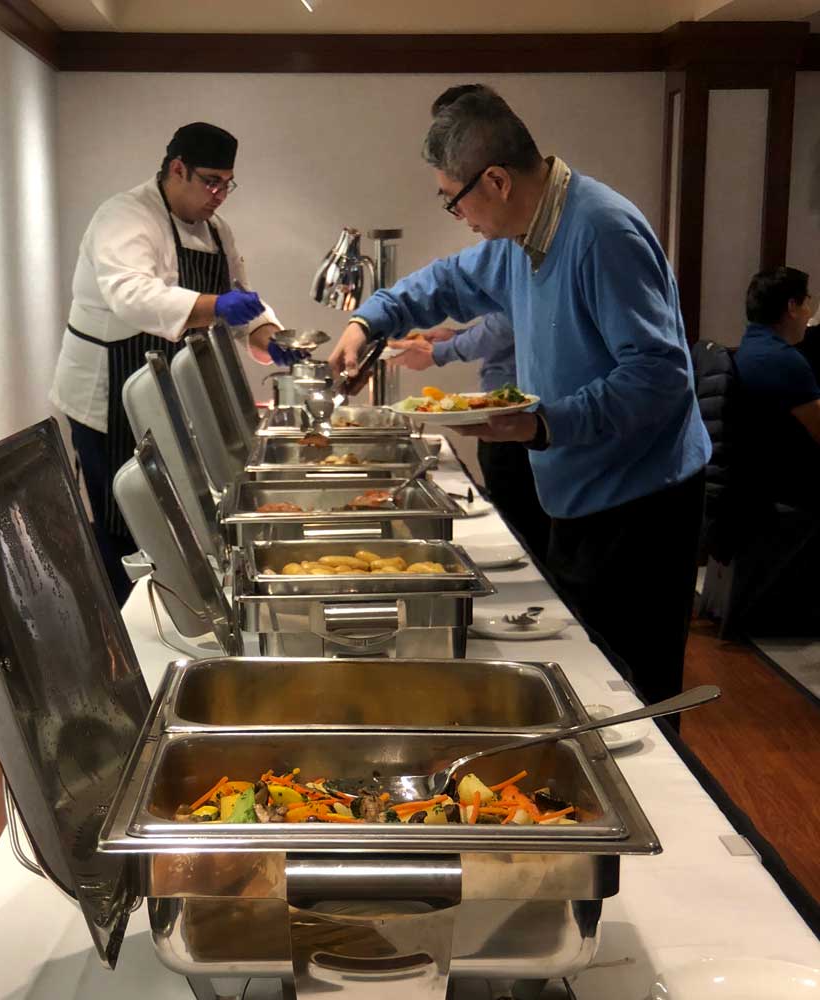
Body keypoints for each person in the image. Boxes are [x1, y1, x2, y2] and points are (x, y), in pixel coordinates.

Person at [328, 84, 711, 709]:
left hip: (640, 501)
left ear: (498, 182)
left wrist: (544, 426)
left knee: (632, 696)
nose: (464, 220)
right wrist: (367, 321)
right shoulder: (522, 238)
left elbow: (660, 378)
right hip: (581, 488)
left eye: (455, 203)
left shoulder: (601, 231)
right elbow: (445, 283)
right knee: (588, 682)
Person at [51, 122, 293, 604]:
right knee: (123, 523)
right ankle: (124, 634)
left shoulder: (217, 231)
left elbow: (241, 299)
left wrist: (273, 336)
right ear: (176, 168)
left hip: (172, 395)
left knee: (176, 517)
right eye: (211, 182)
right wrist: (214, 307)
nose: (220, 195)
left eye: (228, 183)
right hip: (111, 398)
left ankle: (178, 609)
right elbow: (132, 297)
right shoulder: (124, 216)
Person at [388, 314, 551, 563]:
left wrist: (441, 351)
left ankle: (547, 586)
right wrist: (458, 337)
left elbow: (508, 322)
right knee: (520, 516)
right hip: (507, 411)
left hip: (519, 415)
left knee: (528, 526)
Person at [734, 267, 820, 511]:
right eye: (807, 304)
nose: (809, 315)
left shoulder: (751, 347)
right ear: (792, 307)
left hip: (756, 487)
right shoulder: (783, 360)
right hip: (788, 495)